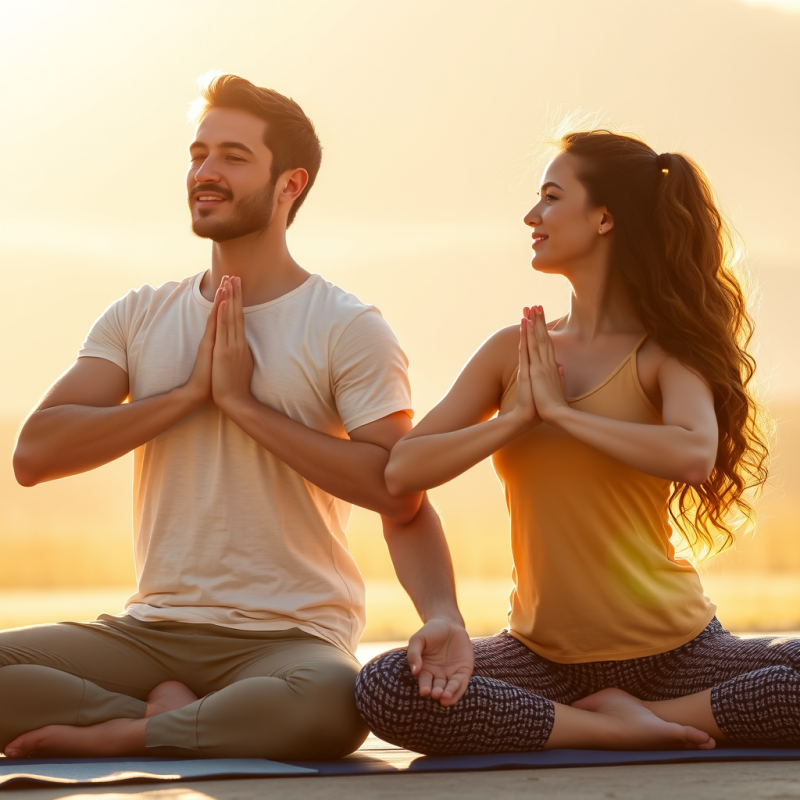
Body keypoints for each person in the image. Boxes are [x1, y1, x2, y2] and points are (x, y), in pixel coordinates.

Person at [1, 73, 473, 761]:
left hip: (290, 640)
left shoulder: (346, 326)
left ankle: (129, 730)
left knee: (331, 709)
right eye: (198, 154)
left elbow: (395, 491)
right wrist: (186, 396)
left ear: (290, 184)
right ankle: (174, 717)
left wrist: (244, 407)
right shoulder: (140, 315)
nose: (205, 172)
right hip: (149, 632)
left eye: (232, 156)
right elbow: (34, 454)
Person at [355, 129, 792, 755]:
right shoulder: (514, 352)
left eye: (552, 197)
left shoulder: (663, 354)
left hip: (676, 653)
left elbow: (694, 452)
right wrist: (514, 421)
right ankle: (611, 726)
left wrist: (564, 416)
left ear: (605, 217)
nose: (532, 215)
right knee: (387, 688)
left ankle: (642, 712)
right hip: (541, 658)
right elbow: (403, 470)